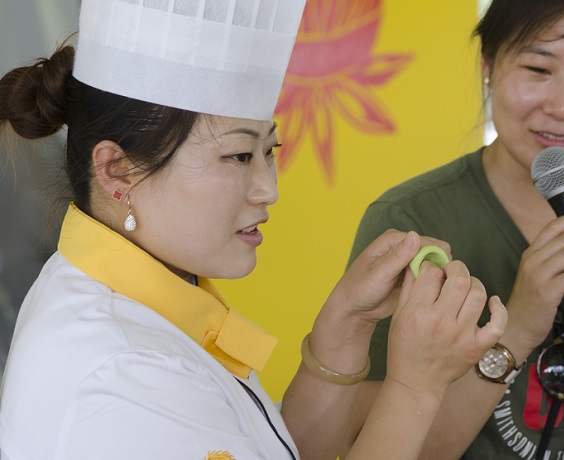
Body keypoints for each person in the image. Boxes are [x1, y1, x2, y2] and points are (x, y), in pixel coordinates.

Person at [0, 1, 508, 459]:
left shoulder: (151, 300)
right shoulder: (120, 373)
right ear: (117, 171)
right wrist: (416, 386)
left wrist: (345, 328)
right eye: (239, 155)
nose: (268, 189)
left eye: (269, 151)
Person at [343, 0, 564, 458]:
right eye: (537, 68)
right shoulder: (411, 225)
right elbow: (364, 446)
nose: (562, 106)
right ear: (489, 65)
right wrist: (519, 327)